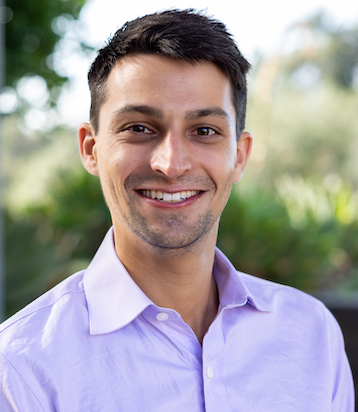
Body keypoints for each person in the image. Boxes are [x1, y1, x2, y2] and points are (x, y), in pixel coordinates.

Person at [0, 9, 354, 411]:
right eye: (138, 128)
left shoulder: (312, 335)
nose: (171, 164)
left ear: (239, 156)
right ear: (91, 149)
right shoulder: (21, 368)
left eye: (204, 131)